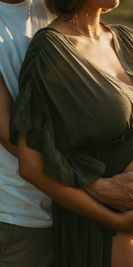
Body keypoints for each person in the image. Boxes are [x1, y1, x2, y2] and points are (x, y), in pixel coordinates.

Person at [8, 0, 133, 266]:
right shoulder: (51, 49)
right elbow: (31, 164)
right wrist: (111, 218)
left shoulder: (126, 37)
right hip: (109, 218)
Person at [0, 0, 54, 266]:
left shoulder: (55, 6)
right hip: (16, 213)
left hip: (67, 206)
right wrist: (98, 185)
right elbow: (9, 135)